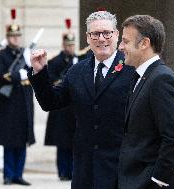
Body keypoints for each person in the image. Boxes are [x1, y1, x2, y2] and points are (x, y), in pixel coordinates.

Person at [29, 11, 135, 189]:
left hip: (120, 168)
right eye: (95, 34)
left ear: (116, 35)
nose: (101, 39)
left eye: (107, 33)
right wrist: (40, 73)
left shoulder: (132, 69)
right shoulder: (77, 71)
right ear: (87, 38)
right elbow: (50, 102)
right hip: (84, 169)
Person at [117, 15, 174, 189]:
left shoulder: (161, 79)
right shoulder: (140, 76)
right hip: (136, 179)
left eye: (125, 41)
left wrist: (158, 181)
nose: (120, 46)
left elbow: (173, 138)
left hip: (152, 182)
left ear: (144, 43)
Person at [0, 9, 34, 186]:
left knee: (22, 140)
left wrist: (27, 73)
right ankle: (8, 175)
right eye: (12, 36)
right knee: (10, 140)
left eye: (18, 35)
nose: (15, 38)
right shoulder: (1, 55)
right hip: (8, 102)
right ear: (8, 37)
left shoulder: (25, 53)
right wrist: (19, 75)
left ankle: (18, 174)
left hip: (23, 100)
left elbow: (33, 72)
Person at [44, 26, 79, 181]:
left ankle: (72, 171)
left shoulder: (79, 60)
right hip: (60, 107)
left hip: (74, 108)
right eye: (68, 45)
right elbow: (51, 81)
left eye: (72, 45)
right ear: (63, 45)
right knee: (62, 142)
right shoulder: (55, 61)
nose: (71, 48)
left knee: (74, 142)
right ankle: (62, 172)